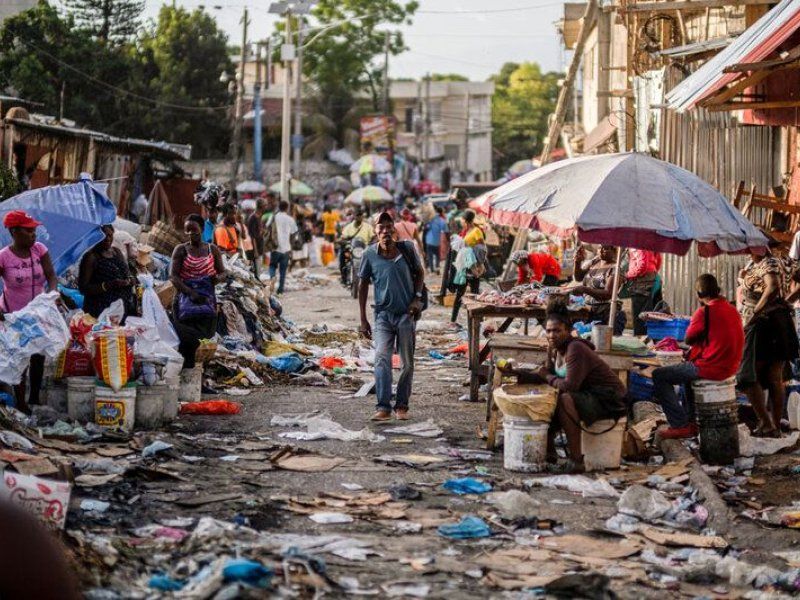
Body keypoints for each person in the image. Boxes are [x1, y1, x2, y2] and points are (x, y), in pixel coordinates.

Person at [535, 300, 627, 472]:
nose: (552, 335)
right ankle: (550, 453)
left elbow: (569, 386)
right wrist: (522, 374)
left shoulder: (575, 348)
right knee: (546, 399)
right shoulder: (556, 349)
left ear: (568, 331)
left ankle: (576, 460)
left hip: (610, 400)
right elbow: (548, 374)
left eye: (557, 330)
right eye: (548, 331)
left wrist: (546, 376)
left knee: (564, 399)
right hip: (590, 395)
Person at [652, 274, 745, 439]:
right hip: (731, 366)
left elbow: (688, 339)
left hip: (711, 367)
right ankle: (691, 421)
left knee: (659, 375)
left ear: (699, 295)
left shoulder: (704, 312)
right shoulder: (733, 310)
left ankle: (679, 425)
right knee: (686, 374)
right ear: (717, 290)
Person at [358, 211, 424, 422]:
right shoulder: (369, 255)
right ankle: (383, 407)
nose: (386, 231)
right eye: (381, 227)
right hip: (383, 316)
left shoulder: (407, 249)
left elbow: (420, 272)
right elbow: (362, 285)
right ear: (375, 232)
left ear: (394, 230)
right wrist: (362, 319)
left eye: (389, 227)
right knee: (382, 359)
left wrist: (417, 298)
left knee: (407, 363)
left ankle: (402, 406)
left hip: (406, 314)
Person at [737, 244, 800, 437]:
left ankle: (766, 423)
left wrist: (757, 311)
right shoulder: (781, 261)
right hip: (779, 323)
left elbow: (772, 286)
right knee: (775, 377)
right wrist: (786, 301)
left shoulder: (768, 262)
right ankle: (774, 426)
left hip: (763, 325)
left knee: (748, 376)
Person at [0, 211, 58, 413]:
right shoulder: (4, 257)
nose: (34, 234)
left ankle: (34, 399)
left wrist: (53, 293)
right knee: (19, 359)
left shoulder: (40, 250)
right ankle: (20, 403)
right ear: (14, 231)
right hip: (15, 316)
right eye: (28, 230)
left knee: (38, 356)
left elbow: (51, 276)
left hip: (38, 314)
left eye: (34, 230)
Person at [170, 215, 225, 385]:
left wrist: (215, 279)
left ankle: (199, 381)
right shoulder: (180, 250)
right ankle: (186, 381)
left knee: (205, 341)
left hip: (207, 303)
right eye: (187, 231)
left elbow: (222, 272)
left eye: (193, 230)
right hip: (186, 303)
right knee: (188, 342)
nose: (190, 234)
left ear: (202, 229)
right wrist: (190, 292)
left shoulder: (212, 249)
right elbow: (173, 277)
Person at [79, 224, 138, 320]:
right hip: (100, 311)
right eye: (103, 235)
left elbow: (127, 272)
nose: (107, 238)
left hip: (121, 310)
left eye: (110, 235)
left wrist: (130, 280)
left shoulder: (116, 252)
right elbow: (83, 288)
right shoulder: (91, 257)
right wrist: (108, 285)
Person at [571, 244, 626, 335]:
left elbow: (608, 294)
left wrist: (585, 290)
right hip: (590, 311)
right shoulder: (595, 261)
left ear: (614, 251)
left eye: (606, 248)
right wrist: (577, 262)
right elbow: (579, 277)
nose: (601, 251)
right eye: (600, 247)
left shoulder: (616, 269)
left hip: (607, 313)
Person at [625, 249, 662, 336]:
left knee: (640, 315)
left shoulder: (637, 243)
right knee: (652, 314)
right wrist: (653, 271)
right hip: (653, 278)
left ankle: (640, 341)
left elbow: (642, 265)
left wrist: (628, 274)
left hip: (642, 281)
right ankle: (651, 339)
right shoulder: (651, 243)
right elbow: (659, 259)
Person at [268, 201, 298, 295]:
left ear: (279, 207)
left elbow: (267, 226)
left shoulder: (274, 216)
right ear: (287, 208)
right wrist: (291, 245)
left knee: (272, 266)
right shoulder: (290, 219)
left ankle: (272, 278)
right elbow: (294, 232)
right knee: (283, 271)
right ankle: (280, 290)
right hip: (286, 248)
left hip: (275, 247)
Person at [339, 209, 374, 283]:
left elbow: (373, 236)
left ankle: (372, 276)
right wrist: (343, 240)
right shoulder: (348, 227)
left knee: (374, 258)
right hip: (352, 248)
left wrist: (372, 242)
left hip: (365, 248)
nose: (359, 217)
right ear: (354, 216)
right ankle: (344, 277)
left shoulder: (368, 227)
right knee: (342, 255)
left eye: (360, 216)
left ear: (362, 217)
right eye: (357, 215)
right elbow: (343, 236)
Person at [424, 207, 448, 274]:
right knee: (437, 256)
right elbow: (446, 231)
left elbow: (426, 227)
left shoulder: (431, 219)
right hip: (436, 242)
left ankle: (432, 270)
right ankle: (437, 268)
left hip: (428, 241)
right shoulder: (442, 220)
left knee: (430, 256)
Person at [246, 200, 266, 278]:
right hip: (255, 249)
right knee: (256, 270)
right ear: (261, 207)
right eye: (265, 205)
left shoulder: (259, 217)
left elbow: (259, 233)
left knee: (259, 269)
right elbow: (252, 236)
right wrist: (255, 251)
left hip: (259, 247)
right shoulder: (253, 218)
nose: (266, 207)